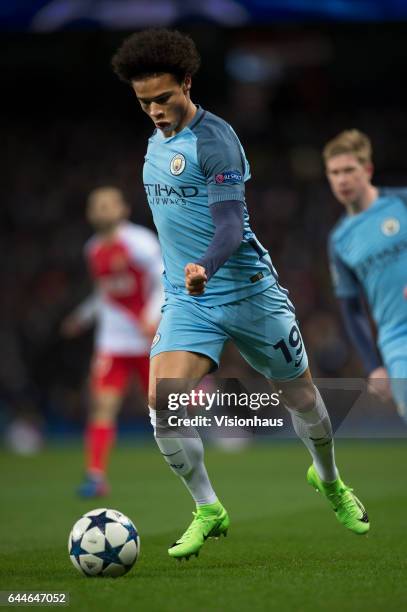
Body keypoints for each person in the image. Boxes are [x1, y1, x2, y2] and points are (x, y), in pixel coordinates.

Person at [111, 29, 369, 561]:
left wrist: (205, 264)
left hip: (249, 292)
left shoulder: (217, 140)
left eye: (163, 98)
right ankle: (208, 508)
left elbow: (230, 226)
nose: (155, 111)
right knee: (163, 403)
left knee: (303, 399)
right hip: (190, 300)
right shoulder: (153, 143)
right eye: (144, 103)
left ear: (187, 83)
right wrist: (191, 278)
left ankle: (329, 480)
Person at [61, 186, 163, 497]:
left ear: (123, 209)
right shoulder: (92, 249)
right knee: (102, 405)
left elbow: (165, 281)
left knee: (165, 409)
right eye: (96, 206)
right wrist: (81, 317)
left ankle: (189, 465)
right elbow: (104, 294)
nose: (101, 210)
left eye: (108, 204)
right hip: (113, 342)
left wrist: (151, 315)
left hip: (148, 339)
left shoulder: (140, 243)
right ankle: (95, 476)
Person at [324, 130, 407, 421]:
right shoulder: (339, 240)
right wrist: (374, 366)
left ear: (367, 169)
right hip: (397, 339)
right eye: (334, 173)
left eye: (349, 170)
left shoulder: (401, 203)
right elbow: (352, 309)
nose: (342, 179)